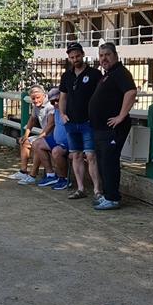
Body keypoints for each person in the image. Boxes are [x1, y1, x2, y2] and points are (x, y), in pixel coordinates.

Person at [89, 43, 138, 210]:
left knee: (109, 162)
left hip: (113, 129)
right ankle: (107, 194)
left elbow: (131, 92)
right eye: (101, 55)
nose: (104, 58)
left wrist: (121, 115)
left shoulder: (120, 73)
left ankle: (113, 198)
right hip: (101, 129)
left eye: (107, 54)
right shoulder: (108, 75)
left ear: (115, 55)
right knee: (103, 162)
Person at [58, 42, 103, 200]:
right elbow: (63, 97)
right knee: (76, 155)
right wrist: (62, 114)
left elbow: (101, 96)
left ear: (83, 54)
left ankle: (97, 190)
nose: (75, 59)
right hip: (71, 122)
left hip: (88, 121)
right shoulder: (66, 76)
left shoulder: (95, 74)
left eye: (77, 56)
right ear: (68, 58)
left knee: (91, 155)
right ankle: (80, 188)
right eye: (72, 57)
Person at [12, 85, 56, 186]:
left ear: (43, 95)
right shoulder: (36, 105)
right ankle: (23, 171)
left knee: (37, 144)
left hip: (52, 136)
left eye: (38, 97)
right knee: (25, 142)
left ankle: (33, 175)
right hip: (45, 136)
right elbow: (32, 120)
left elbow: (51, 124)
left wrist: (40, 137)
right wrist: (26, 135)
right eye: (33, 98)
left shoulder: (50, 106)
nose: (35, 100)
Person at [35, 88, 71, 191]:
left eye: (57, 100)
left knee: (56, 151)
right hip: (56, 140)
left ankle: (64, 178)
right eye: (52, 102)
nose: (55, 103)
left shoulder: (68, 108)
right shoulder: (55, 109)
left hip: (68, 143)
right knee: (37, 143)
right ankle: (51, 175)